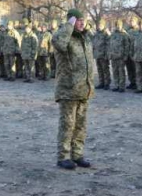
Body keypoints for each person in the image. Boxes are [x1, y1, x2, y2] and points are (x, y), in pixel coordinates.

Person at [52, 9, 94, 170]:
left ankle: (77, 155)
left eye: (84, 19)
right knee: (67, 125)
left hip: (84, 89)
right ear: (70, 22)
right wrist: (68, 26)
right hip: (68, 90)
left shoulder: (85, 38)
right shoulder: (63, 37)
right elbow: (58, 42)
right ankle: (63, 156)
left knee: (80, 126)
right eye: (78, 20)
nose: (82, 23)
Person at [109, 19, 129, 92]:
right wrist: (110, 54)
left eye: (119, 25)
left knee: (121, 72)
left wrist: (125, 56)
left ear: (121, 26)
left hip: (121, 56)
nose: (117, 26)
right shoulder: (113, 34)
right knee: (115, 72)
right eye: (116, 25)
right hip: (114, 56)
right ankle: (116, 85)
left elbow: (127, 46)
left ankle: (121, 86)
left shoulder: (124, 34)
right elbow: (110, 45)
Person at [92, 19, 111, 90]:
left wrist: (107, 54)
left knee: (105, 69)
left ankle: (107, 83)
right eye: (98, 25)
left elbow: (108, 45)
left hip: (103, 54)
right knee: (99, 69)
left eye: (101, 25)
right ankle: (101, 82)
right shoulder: (96, 34)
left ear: (103, 25)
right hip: (97, 54)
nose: (99, 26)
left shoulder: (105, 34)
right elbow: (94, 43)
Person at [126, 16, 138, 89]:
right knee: (129, 68)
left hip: (135, 52)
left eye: (132, 21)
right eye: (130, 21)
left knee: (136, 69)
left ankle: (137, 83)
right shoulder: (128, 30)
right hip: (128, 52)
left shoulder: (138, 30)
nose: (131, 22)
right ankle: (132, 82)